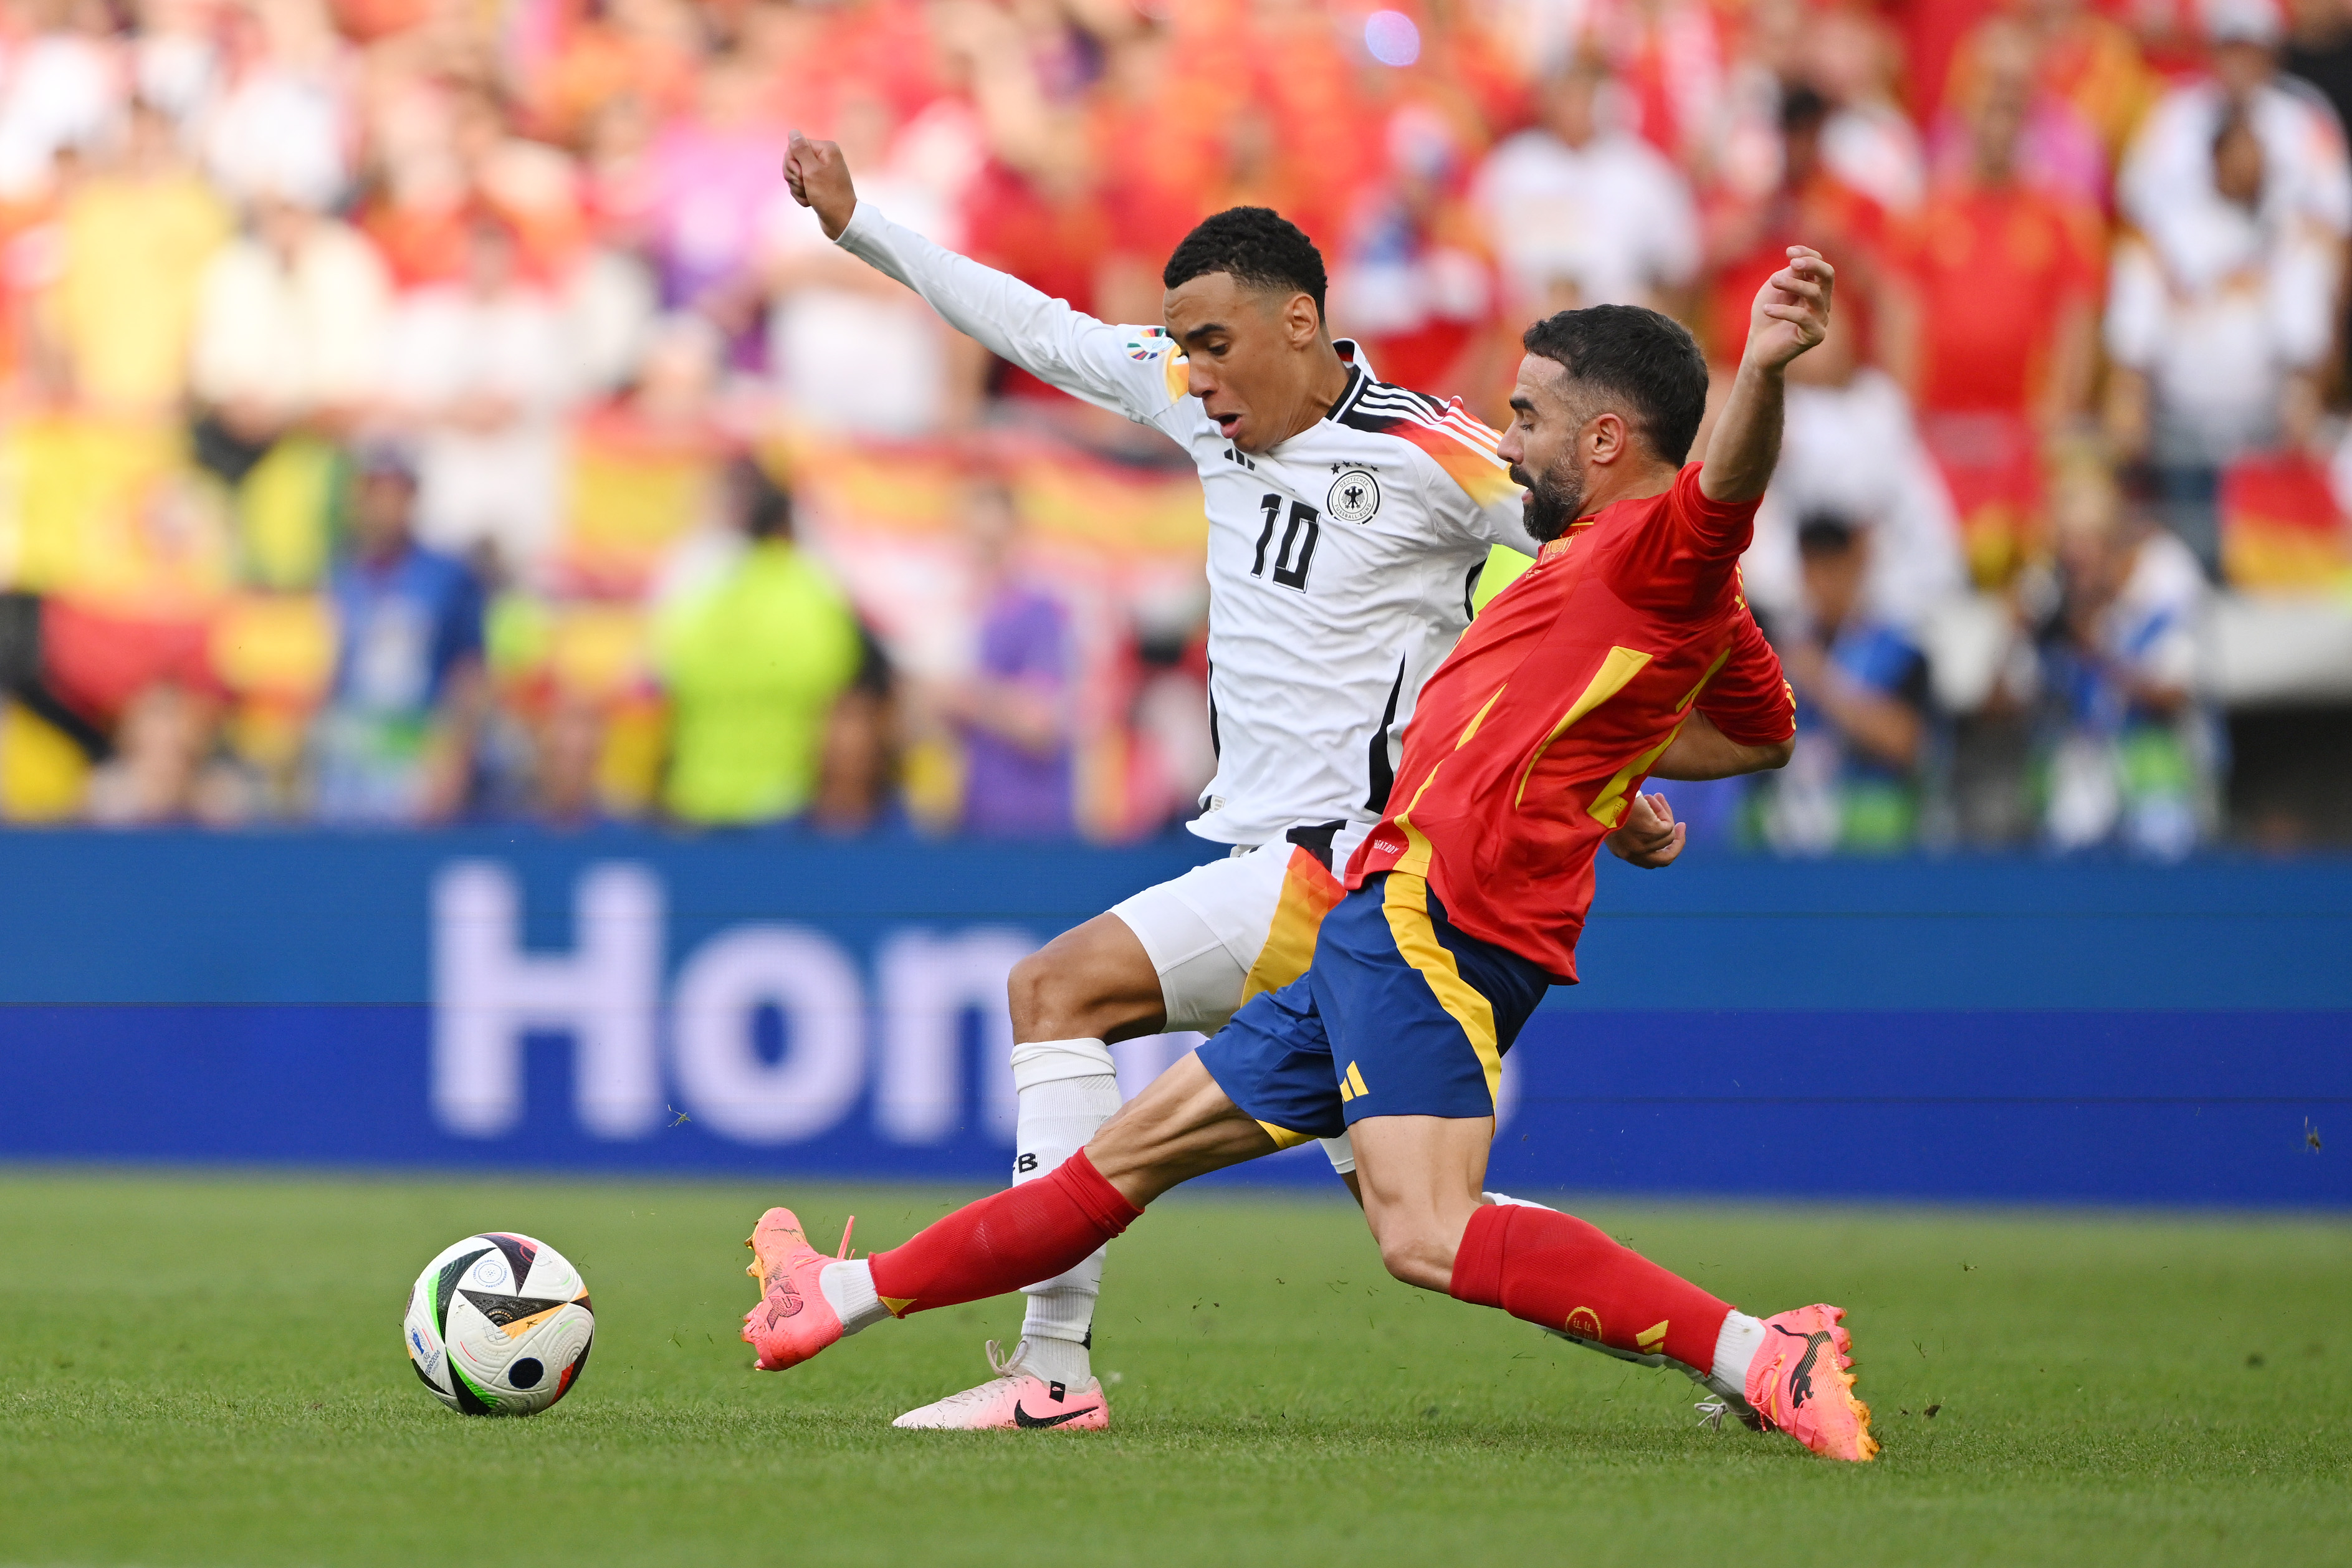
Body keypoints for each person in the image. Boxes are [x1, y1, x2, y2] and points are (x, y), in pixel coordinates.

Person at [737, 253, 1878, 1465]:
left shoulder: (1663, 548)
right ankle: (838, 1299)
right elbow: (1761, 730)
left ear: (1606, 440)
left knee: (1424, 1232)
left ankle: (1766, 1351)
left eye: (1529, 417)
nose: (1509, 435)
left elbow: (1729, 497)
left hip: (1444, 919)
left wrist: (1761, 364)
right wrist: (1607, 761)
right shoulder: (1620, 577)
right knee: (1119, 1164)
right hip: (1374, 915)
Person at [312, 443, 487, 825]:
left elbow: (470, 672)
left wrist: (453, 759)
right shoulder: (336, 576)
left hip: (415, 762)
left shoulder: (448, 577)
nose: (387, 505)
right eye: (376, 493)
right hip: (345, 765)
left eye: (398, 493)